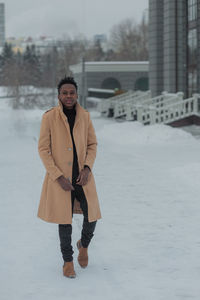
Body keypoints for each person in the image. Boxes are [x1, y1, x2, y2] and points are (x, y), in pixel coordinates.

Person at [37, 76, 101, 278]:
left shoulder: (86, 117)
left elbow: (92, 145)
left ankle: (84, 245)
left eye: (71, 92)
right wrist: (57, 176)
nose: (68, 96)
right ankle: (68, 262)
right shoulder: (49, 117)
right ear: (59, 95)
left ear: (76, 94)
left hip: (83, 178)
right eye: (64, 93)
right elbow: (43, 149)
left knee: (92, 216)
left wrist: (87, 168)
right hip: (60, 180)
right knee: (64, 222)